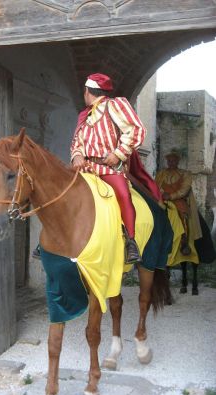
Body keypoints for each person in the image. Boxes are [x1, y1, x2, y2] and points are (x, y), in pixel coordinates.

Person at [71, 73, 147, 264]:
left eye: (84, 91)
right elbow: (76, 142)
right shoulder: (84, 115)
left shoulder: (115, 105)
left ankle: (131, 241)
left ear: (87, 91)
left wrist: (118, 153)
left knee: (123, 195)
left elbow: (136, 129)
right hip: (85, 168)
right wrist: (77, 155)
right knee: (61, 190)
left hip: (108, 168)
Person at [155, 151, 202, 255]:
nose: (171, 163)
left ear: (177, 161)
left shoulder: (185, 173)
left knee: (183, 216)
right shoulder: (161, 173)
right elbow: (156, 185)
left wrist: (171, 196)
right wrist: (162, 194)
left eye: (173, 160)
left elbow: (185, 189)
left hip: (178, 200)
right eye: (169, 161)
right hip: (163, 199)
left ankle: (184, 242)